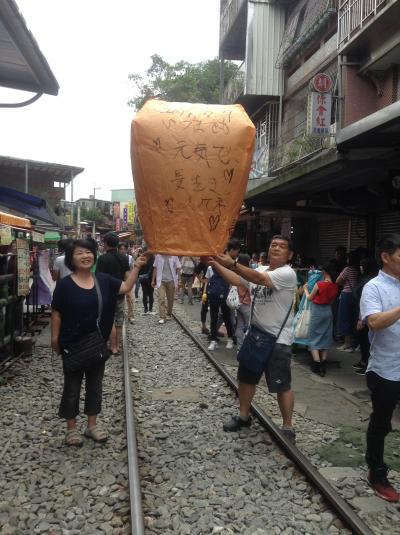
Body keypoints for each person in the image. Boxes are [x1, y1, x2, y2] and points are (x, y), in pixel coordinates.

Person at [51, 239, 147, 446]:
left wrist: (137, 266)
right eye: (79, 253)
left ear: (94, 255)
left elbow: (126, 286)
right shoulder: (65, 285)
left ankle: (92, 425)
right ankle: (71, 429)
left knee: (95, 386)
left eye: (89, 252)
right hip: (72, 344)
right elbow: (56, 313)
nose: (85, 256)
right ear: (71, 259)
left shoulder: (103, 280)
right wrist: (54, 339)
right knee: (72, 387)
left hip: (97, 343)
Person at [209, 235, 297, 441]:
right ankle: (243, 415)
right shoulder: (260, 269)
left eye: (282, 246)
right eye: (273, 244)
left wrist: (233, 263)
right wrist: (214, 264)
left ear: (290, 254)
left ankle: (288, 425)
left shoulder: (288, 274)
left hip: (278, 339)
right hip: (255, 334)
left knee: (281, 384)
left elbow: (259, 281)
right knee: (246, 378)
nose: (276, 248)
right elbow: (238, 280)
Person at [360, 234, 400, 502]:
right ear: (386, 258)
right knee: (381, 423)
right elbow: (374, 322)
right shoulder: (373, 287)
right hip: (386, 369)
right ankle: (376, 472)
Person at [95, 232, 130, 354]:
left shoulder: (102, 259)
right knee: (119, 320)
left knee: (109, 319)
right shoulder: (124, 258)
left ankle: (112, 346)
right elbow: (127, 276)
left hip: (106, 295)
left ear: (106, 244)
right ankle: (117, 345)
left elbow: (98, 278)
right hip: (120, 293)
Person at [303, 265, 339, 377]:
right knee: (325, 335)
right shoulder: (335, 286)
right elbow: (332, 301)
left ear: (324, 272)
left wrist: (305, 289)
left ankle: (317, 364)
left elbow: (309, 298)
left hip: (317, 312)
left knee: (313, 336)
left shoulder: (319, 284)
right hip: (328, 311)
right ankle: (323, 363)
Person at [353, 257, 379, 375]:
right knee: (363, 340)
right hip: (364, 312)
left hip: (365, 314)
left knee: (366, 341)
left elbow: (364, 301)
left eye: (362, 265)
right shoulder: (370, 279)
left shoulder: (369, 282)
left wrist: (360, 319)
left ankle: (367, 364)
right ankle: (364, 361)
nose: (360, 268)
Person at [336, 251, 360, 351]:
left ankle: (347, 344)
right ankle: (356, 343)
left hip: (347, 295)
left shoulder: (347, 269)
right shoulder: (358, 269)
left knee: (345, 318)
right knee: (354, 319)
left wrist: (344, 284)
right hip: (356, 295)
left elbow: (338, 281)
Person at [152, 255, 181, 324]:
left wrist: (179, 280)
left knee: (170, 299)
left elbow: (178, 268)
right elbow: (155, 268)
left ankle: (169, 313)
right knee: (161, 298)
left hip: (171, 280)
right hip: (161, 281)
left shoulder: (174, 256)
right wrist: (153, 280)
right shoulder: (158, 256)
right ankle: (162, 317)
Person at [235, 254, 251, 350]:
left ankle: (239, 348)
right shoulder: (248, 274)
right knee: (249, 326)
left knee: (240, 326)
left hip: (238, 303)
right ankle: (246, 348)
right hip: (246, 303)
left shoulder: (236, 273)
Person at [118, 242, 134, 323]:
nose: (123, 251)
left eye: (124, 249)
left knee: (130, 298)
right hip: (119, 281)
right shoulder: (116, 258)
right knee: (120, 299)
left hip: (128, 280)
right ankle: (120, 315)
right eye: (121, 249)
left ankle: (130, 316)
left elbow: (132, 269)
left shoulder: (130, 258)